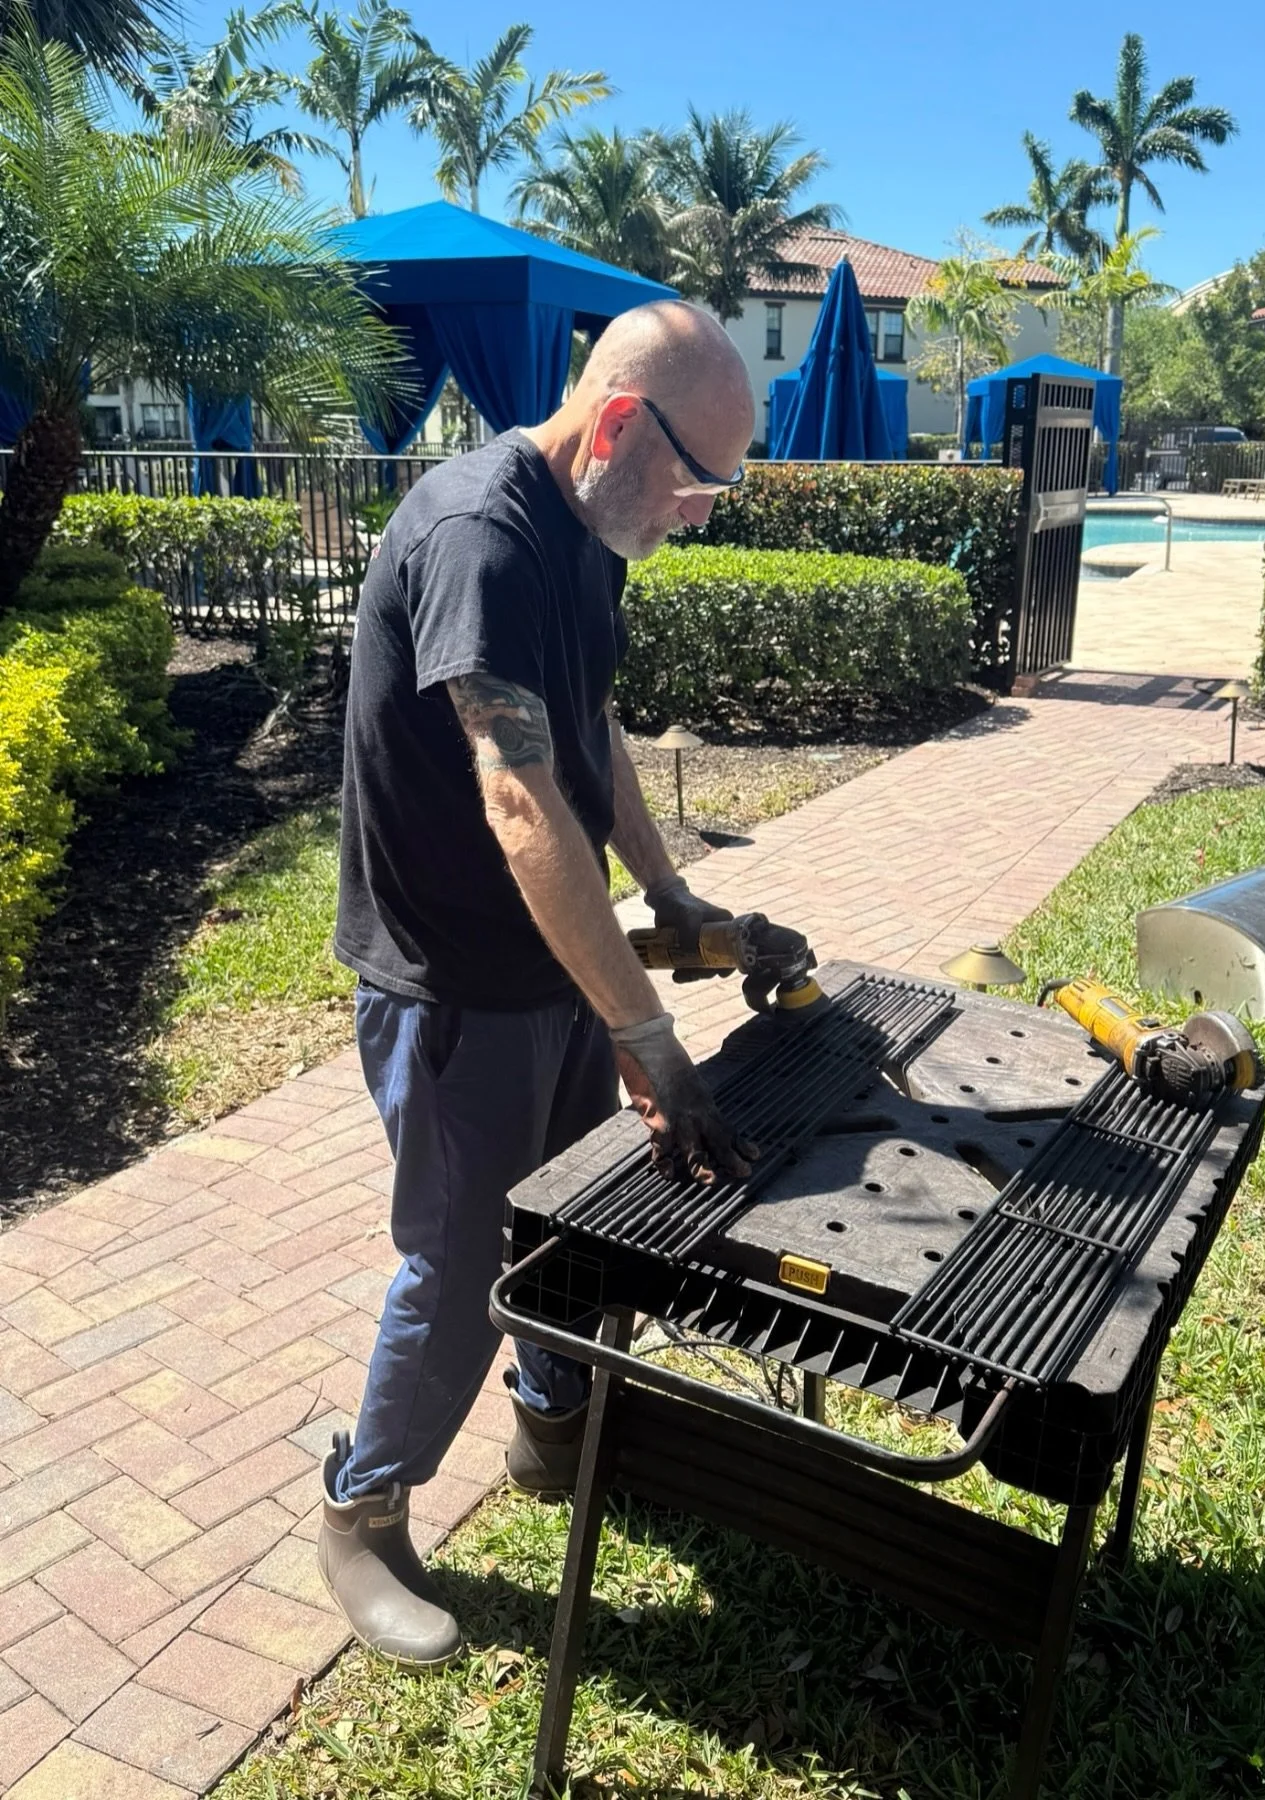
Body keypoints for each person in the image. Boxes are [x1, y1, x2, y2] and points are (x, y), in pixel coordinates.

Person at [318, 301, 764, 1670]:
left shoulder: (592, 529)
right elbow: (517, 799)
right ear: (620, 424)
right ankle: (361, 1510)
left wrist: (670, 888)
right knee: (460, 1266)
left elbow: (588, 733)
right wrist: (645, 1028)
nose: (698, 512)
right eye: (697, 479)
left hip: (557, 961)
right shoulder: (477, 538)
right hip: (452, 982)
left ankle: (553, 1434)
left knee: (583, 1226)